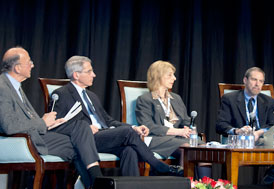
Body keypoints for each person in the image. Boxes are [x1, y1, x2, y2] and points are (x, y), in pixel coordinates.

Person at [51, 56, 182, 178]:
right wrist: (85, 127)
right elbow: (58, 125)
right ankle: (158, 165)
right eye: (89, 71)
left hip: (104, 136)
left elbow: (109, 121)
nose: (94, 75)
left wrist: (134, 127)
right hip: (86, 140)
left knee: (129, 150)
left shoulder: (92, 96)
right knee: (127, 132)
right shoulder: (62, 94)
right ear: (76, 75)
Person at [0, 47, 102, 189]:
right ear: (17, 68)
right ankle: (97, 188)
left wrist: (49, 122)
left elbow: (25, 119)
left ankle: (95, 188)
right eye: (29, 62)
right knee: (78, 144)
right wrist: (43, 123)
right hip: (21, 140)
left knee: (79, 132)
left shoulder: (15, 86)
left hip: (32, 135)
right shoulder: (2, 87)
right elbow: (9, 125)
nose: (33, 65)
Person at [215, 67, 274, 189]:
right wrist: (237, 130)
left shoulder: (268, 101)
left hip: (262, 140)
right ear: (245, 80)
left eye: (261, 81)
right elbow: (220, 125)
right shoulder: (229, 99)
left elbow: (272, 124)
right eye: (254, 79)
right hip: (240, 141)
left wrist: (259, 133)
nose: (258, 84)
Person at [135, 60, 211, 178]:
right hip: (156, 139)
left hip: (178, 139)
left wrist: (190, 129)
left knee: (204, 149)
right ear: (158, 76)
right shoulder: (145, 99)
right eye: (169, 75)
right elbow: (148, 126)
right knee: (187, 149)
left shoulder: (176, 98)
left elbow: (186, 120)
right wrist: (178, 131)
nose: (174, 78)